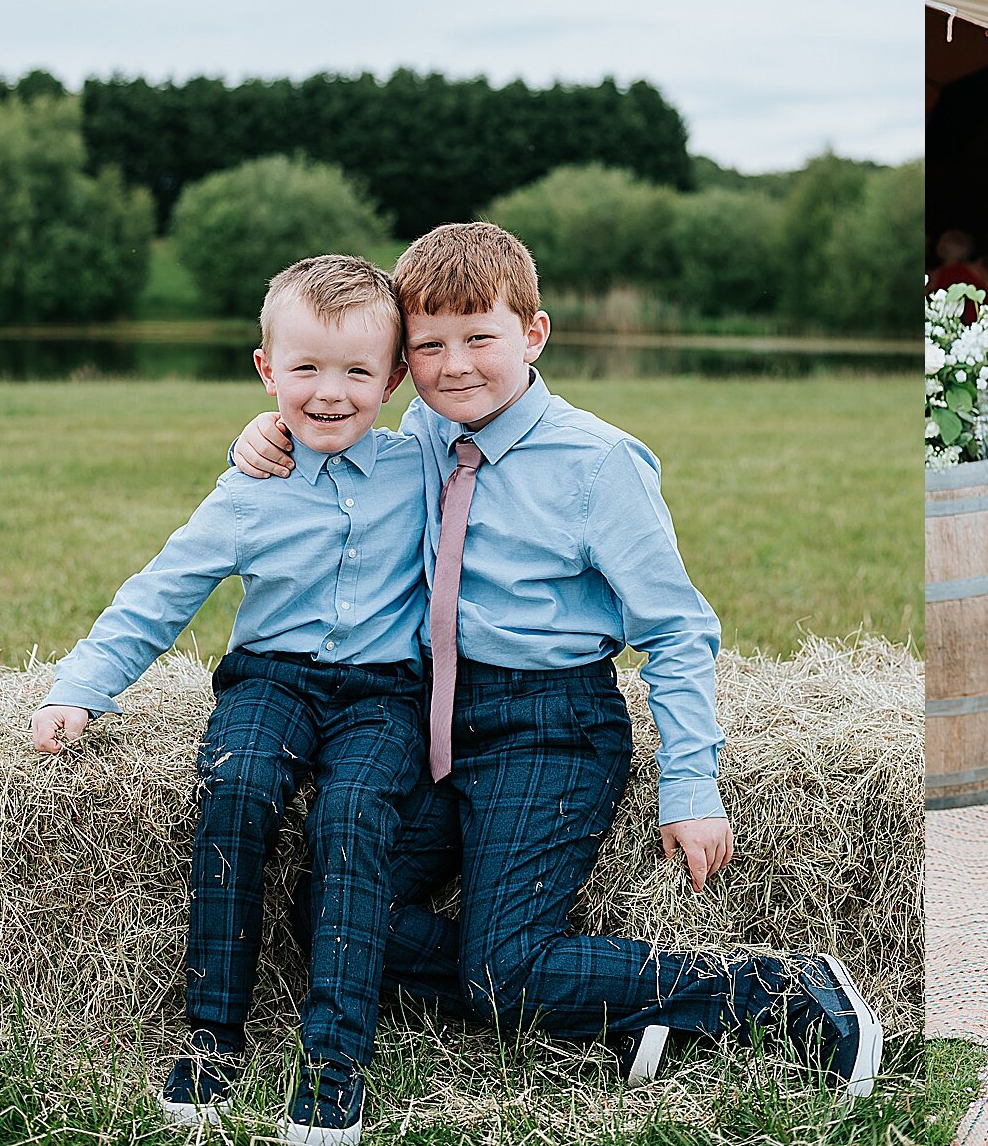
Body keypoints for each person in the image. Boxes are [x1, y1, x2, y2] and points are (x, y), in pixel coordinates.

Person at [232, 222, 880, 1099]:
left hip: (551, 727)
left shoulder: (599, 462)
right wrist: (263, 434)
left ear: (533, 335)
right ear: (401, 363)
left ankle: (778, 993)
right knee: (329, 913)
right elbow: (327, 418)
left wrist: (691, 786)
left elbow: (678, 629)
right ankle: (604, 1006)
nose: (455, 365)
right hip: (434, 723)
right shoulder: (422, 431)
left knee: (503, 971)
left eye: (480, 339)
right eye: (429, 346)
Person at [32, 255, 430, 1145]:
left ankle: (334, 1062)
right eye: (306, 370)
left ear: (396, 378)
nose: (330, 394)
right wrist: (81, 690)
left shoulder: (425, 467)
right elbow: (161, 591)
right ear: (266, 371)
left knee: (352, 817)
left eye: (358, 372)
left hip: (385, 697)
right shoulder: (250, 484)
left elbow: (499, 412)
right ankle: (213, 1032)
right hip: (271, 680)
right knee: (238, 788)